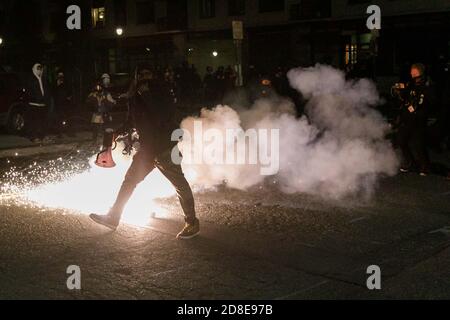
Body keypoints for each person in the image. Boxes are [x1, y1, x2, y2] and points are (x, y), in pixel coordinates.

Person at [89, 65, 200, 240]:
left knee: (179, 183)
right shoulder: (135, 97)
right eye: (140, 75)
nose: (143, 79)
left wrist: (147, 94)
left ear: (152, 77)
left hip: (164, 147)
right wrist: (118, 133)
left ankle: (192, 222)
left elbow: (165, 115)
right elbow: (131, 121)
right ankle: (113, 217)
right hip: (147, 150)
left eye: (147, 75)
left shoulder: (161, 91)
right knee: (130, 180)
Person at [395, 63, 432, 176]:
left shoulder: (427, 85)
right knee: (401, 141)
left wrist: (419, 109)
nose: (412, 74)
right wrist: (400, 92)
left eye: (414, 72)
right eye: (411, 72)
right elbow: (405, 96)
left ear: (419, 73)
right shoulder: (411, 83)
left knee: (418, 145)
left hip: (418, 120)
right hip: (408, 118)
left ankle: (424, 167)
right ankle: (410, 163)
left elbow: (430, 102)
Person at [25, 63, 51, 143]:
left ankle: (43, 136)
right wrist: (36, 98)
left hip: (43, 104)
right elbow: (29, 91)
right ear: (34, 69)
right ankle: (34, 137)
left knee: (43, 121)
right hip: (34, 104)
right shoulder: (30, 79)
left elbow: (46, 90)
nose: (39, 71)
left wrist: (46, 99)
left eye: (40, 69)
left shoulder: (43, 79)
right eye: (38, 69)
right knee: (34, 122)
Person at [53, 71, 74, 137]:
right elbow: (52, 92)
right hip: (58, 104)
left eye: (62, 76)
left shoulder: (66, 83)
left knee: (68, 118)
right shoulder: (55, 83)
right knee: (59, 119)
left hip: (66, 104)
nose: (61, 77)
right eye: (59, 76)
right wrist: (57, 85)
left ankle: (69, 132)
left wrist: (69, 97)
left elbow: (70, 91)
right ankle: (60, 133)